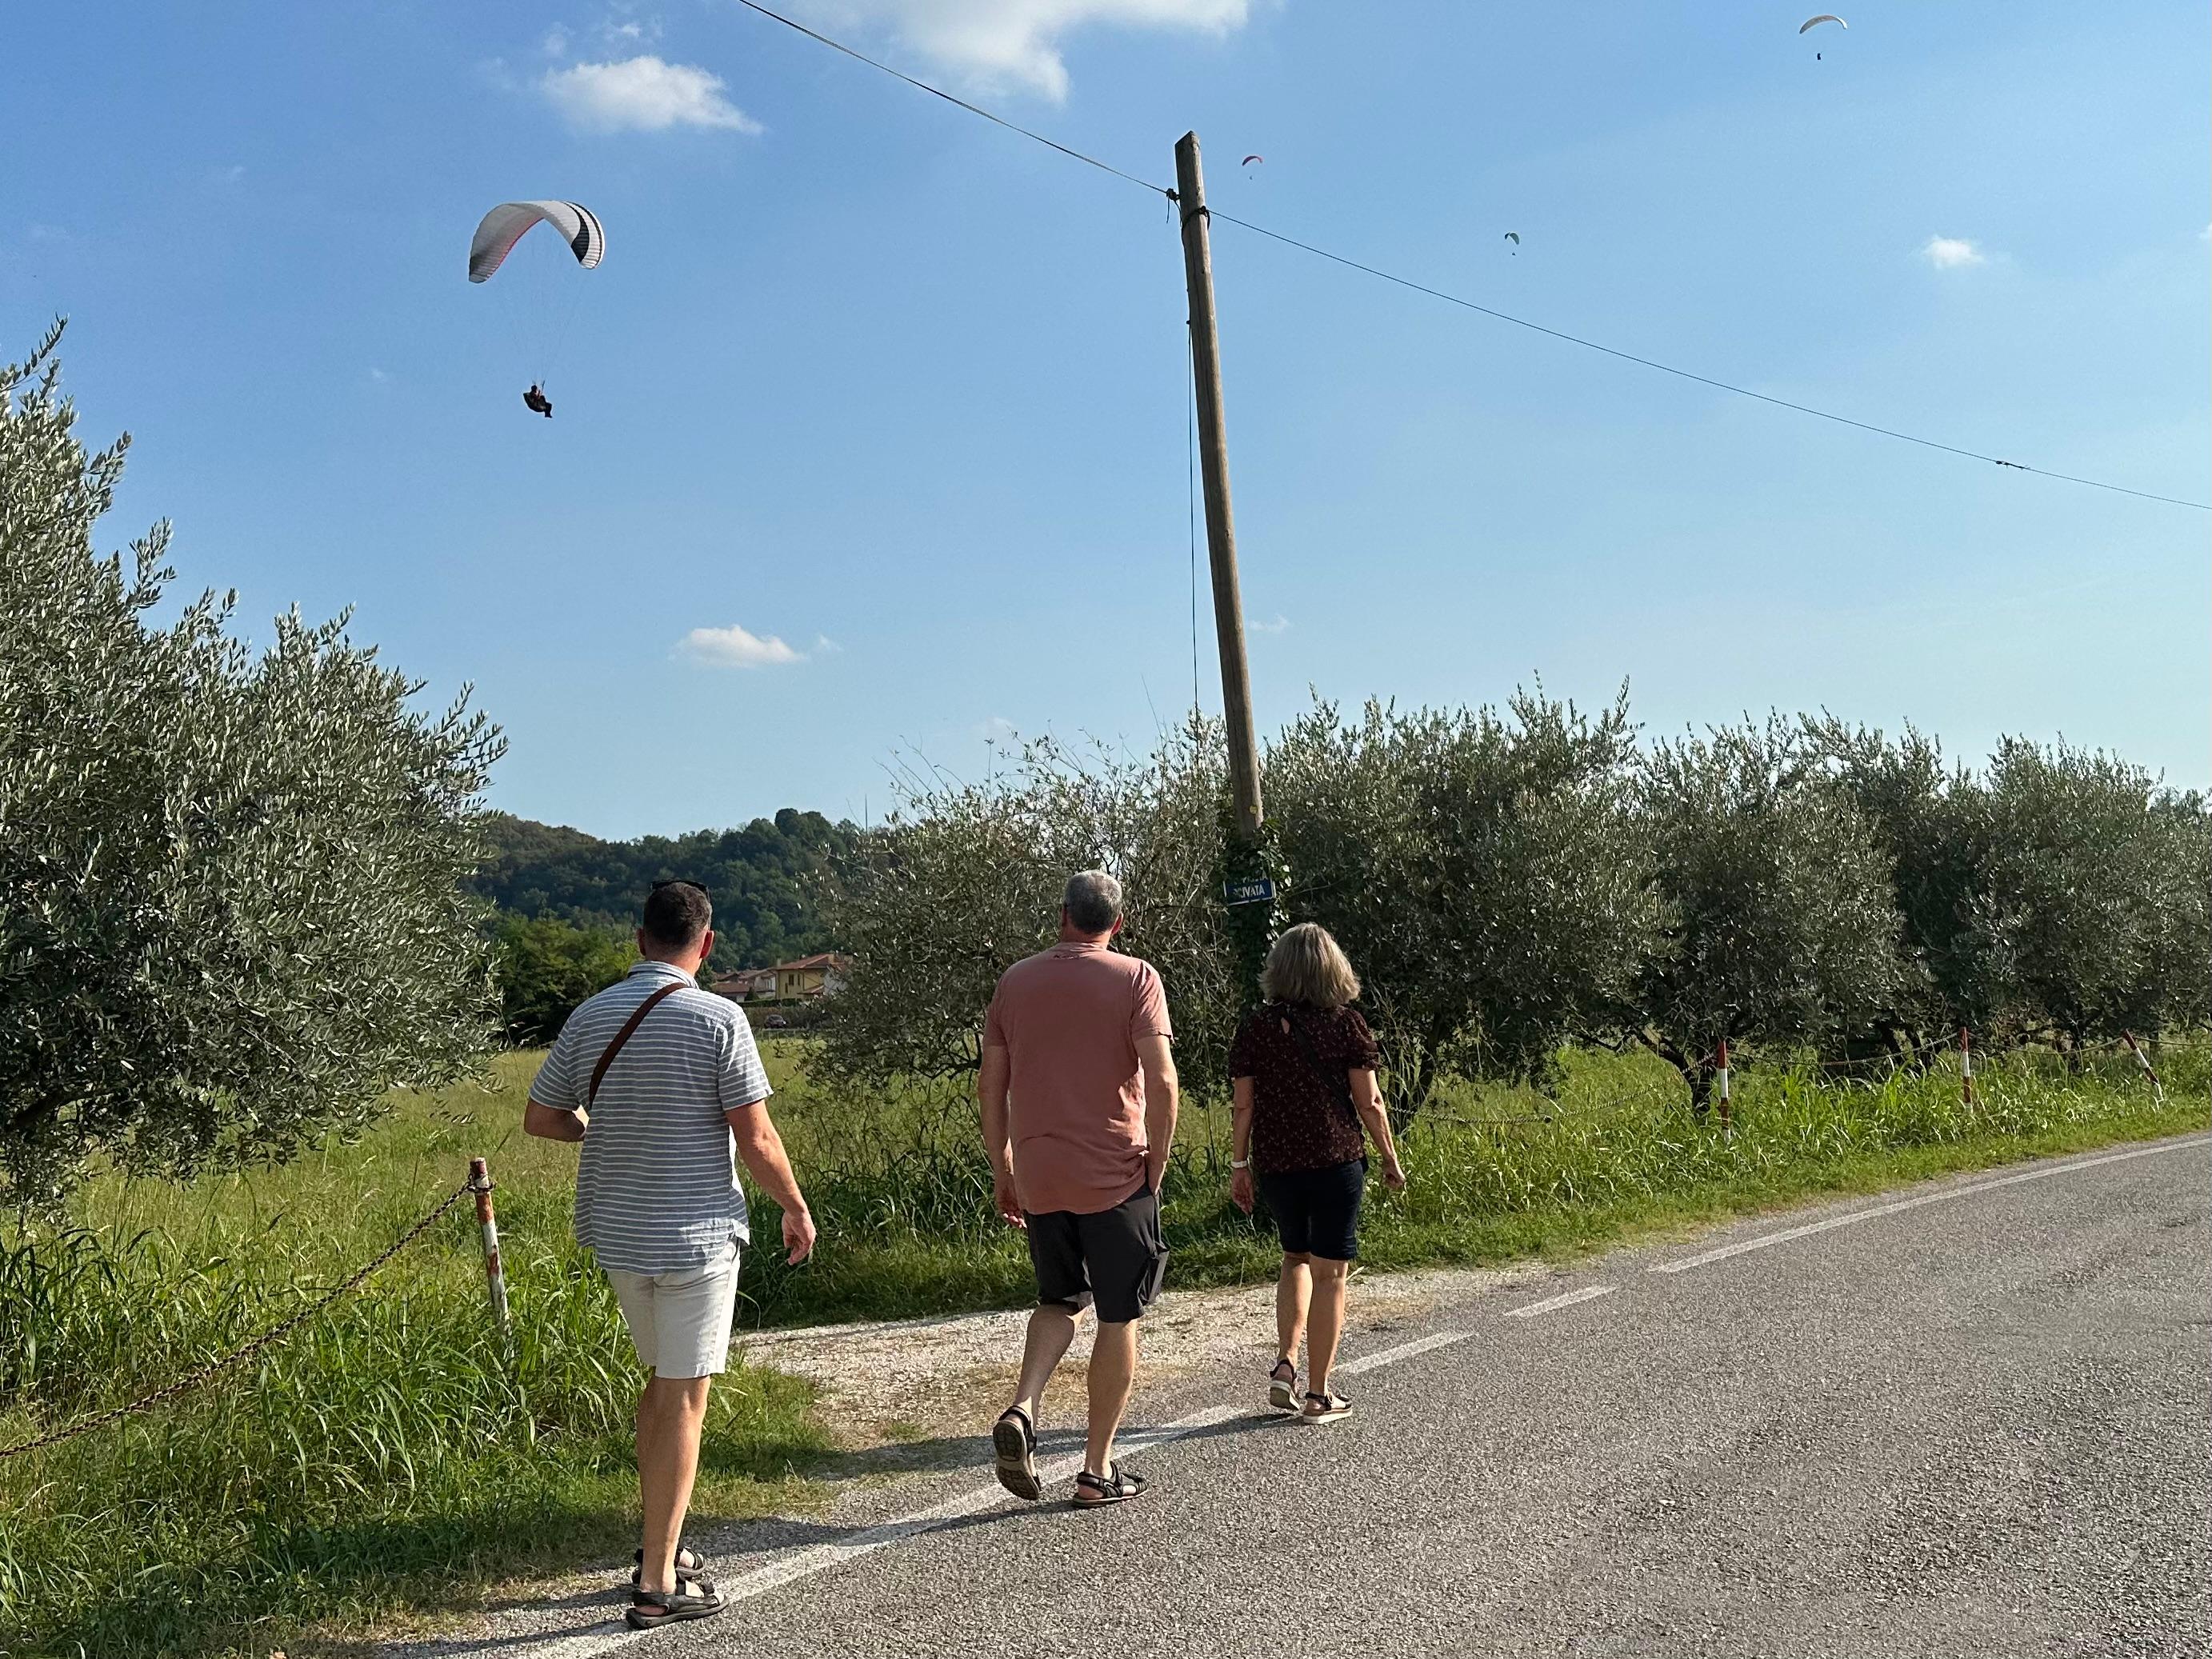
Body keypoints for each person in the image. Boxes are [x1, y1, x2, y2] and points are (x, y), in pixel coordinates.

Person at [526, 879, 815, 1630]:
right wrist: (794, 1206)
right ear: (707, 943)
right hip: (695, 1237)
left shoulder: (592, 1015)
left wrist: (601, 1130)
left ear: (638, 938)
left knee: (662, 1385)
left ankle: (662, 1541)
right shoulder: (719, 1017)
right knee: (687, 1397)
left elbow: (542, 1117)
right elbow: (754, 1135)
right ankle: (657, 1581)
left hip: (619, 1236)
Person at [980, 870, 1178, 1507]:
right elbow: (1163, 1079)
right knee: (1118, 1313)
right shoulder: (1137, 978)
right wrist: (1158, 1163)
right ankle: (1096, 1470)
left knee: (1058, 1298)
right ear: (1116, 924)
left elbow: (991, 1086)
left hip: (1040, 1171)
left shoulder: (1015, 982)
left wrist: (1002, 1166)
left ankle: (1022, 1407)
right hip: (1115, 1171)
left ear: (1062, 914)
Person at [1227, 922, 1405, 1423]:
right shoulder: (1347, 1024)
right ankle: (1319, 1394)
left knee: (1294, 1259)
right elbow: (1368, 1101)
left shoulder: (1255, 1028)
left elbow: (1243, 1108)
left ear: (1278, 971)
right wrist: (1390, 1158)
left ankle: (1286, 1362)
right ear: (1334, 968)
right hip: (1335, 1161)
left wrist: (1240, 1167)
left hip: (1279, 1164)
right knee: (1331, 1275)